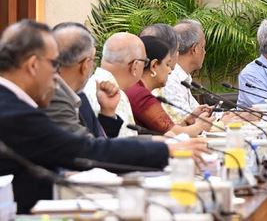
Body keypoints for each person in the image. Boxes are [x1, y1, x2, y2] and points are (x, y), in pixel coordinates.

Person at [0, 20, 204, 213]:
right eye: (55, 64)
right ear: (33, 65)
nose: (57, 74)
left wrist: (108, 115)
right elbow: (82, 150)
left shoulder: (14, 104)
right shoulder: (14, 113)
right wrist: (166, 149)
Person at [42, 23, 123, 137]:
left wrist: (108, 113)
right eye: (93, 59)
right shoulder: (52, 98)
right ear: (85, 64)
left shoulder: (80, 97)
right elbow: (86, 145)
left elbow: (99, 141)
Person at [125, 36, 211, 136]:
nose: (170, 71)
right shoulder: (140, 94)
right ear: (154, 65)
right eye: (167, 64)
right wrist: (200, 126)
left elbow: (167, 129)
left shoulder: (138, 89)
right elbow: (172, 132)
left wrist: (189, 119)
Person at [83, 32, 147, 136]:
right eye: (145, 62)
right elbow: (124, 142)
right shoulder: (113, 95)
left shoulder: (90, 85)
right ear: (135, 66)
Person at [161, 20, 209, 122]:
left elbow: (196, 114)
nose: (205, 52)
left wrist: (222, 116)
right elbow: (183, 121)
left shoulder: (182, 77)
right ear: (194, 49)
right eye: (203, 47)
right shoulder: (170, 79)